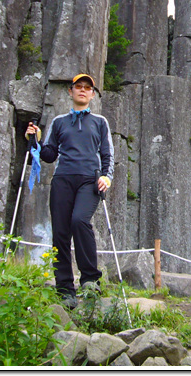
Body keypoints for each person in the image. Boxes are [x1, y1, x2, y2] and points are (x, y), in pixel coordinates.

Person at [25, 73, 114, 309]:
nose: (82, 90)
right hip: (62, 179)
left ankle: (90, 279)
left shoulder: (100, 122)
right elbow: (49, 155)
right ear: (71, 91)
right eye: (78, 87)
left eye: (87, 87)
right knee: (60, 233)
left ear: (92, 94)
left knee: (79, 221)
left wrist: (107, 177)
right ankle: (64, 289)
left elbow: (107, 154)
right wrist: (34, 141)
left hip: (90, 181)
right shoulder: (59, 122)